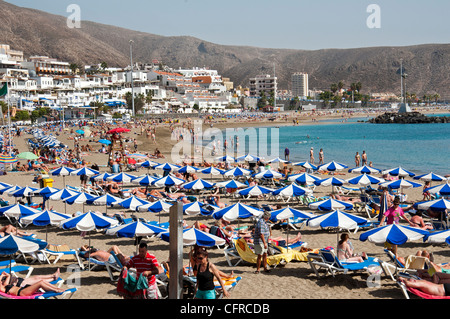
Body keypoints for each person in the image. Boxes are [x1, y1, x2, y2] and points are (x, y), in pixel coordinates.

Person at [0, 271, 65, 297]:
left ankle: (56, 288)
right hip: (21, 292)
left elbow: (8, 276)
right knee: (40, 283)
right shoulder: (2, 289)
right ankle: (56, 290)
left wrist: (3, 275)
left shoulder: (5, 285)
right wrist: (1, 277)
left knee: (42, 281)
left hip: (23, 290)